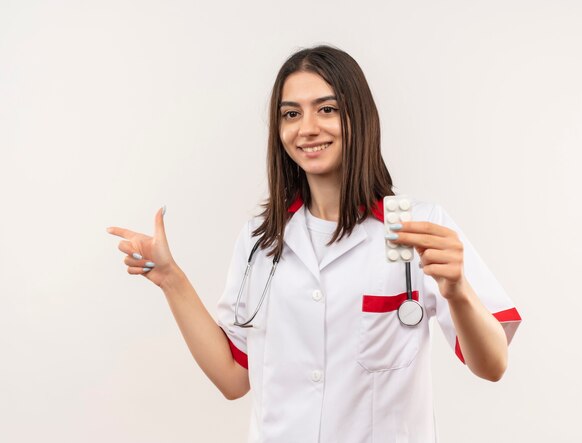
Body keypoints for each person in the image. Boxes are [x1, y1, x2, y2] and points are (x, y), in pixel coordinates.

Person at [106, 45, 521, 442]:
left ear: (359, 117)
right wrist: (169, 278)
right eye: (291, 113)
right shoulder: (260, 240)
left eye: (327, 109)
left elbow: (492, 365)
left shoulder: (418, 228)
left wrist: (458, 291)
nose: (307, 128)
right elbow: (233, 378)